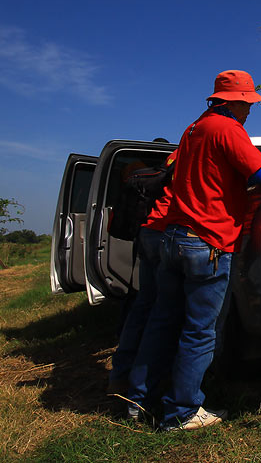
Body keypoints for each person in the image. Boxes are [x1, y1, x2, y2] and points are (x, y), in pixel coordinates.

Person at [126, 70, 261, 431]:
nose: (250, 110)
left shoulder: (194, 129)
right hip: (207, 241)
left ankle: (138, 400)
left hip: (174, 237)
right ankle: (182, 411)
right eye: (247, 104)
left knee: (163, 321)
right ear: (231, 101)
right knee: (200, 330)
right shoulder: (228, 129)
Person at [107, 148, 177, 396]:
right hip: (169, 232)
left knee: (143, 305)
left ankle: (121, 375)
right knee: (164, 312)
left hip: (149, 229)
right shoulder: (204, 149)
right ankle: (144, 390)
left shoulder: (177, 153)